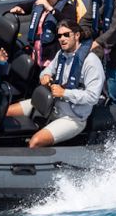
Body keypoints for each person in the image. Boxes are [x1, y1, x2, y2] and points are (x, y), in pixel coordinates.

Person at [6, 20, 105, 148]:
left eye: (66, 35)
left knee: (35, 142)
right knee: (7, 112)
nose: (62, 39)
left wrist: (64, 93)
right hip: (52, 106)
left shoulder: (91, 62)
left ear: (77, 35)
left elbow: (92, 97)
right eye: (59, 36)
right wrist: (45, 76)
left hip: (72, 117)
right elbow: (47, 71)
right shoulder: (61, 55)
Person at [9, 0, 78, 68]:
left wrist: (50, 9)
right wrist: (20, 8)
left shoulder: (67, 7)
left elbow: (70, 23)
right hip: (36, 53)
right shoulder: (40, 3)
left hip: (52, 57)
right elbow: (29, 5)